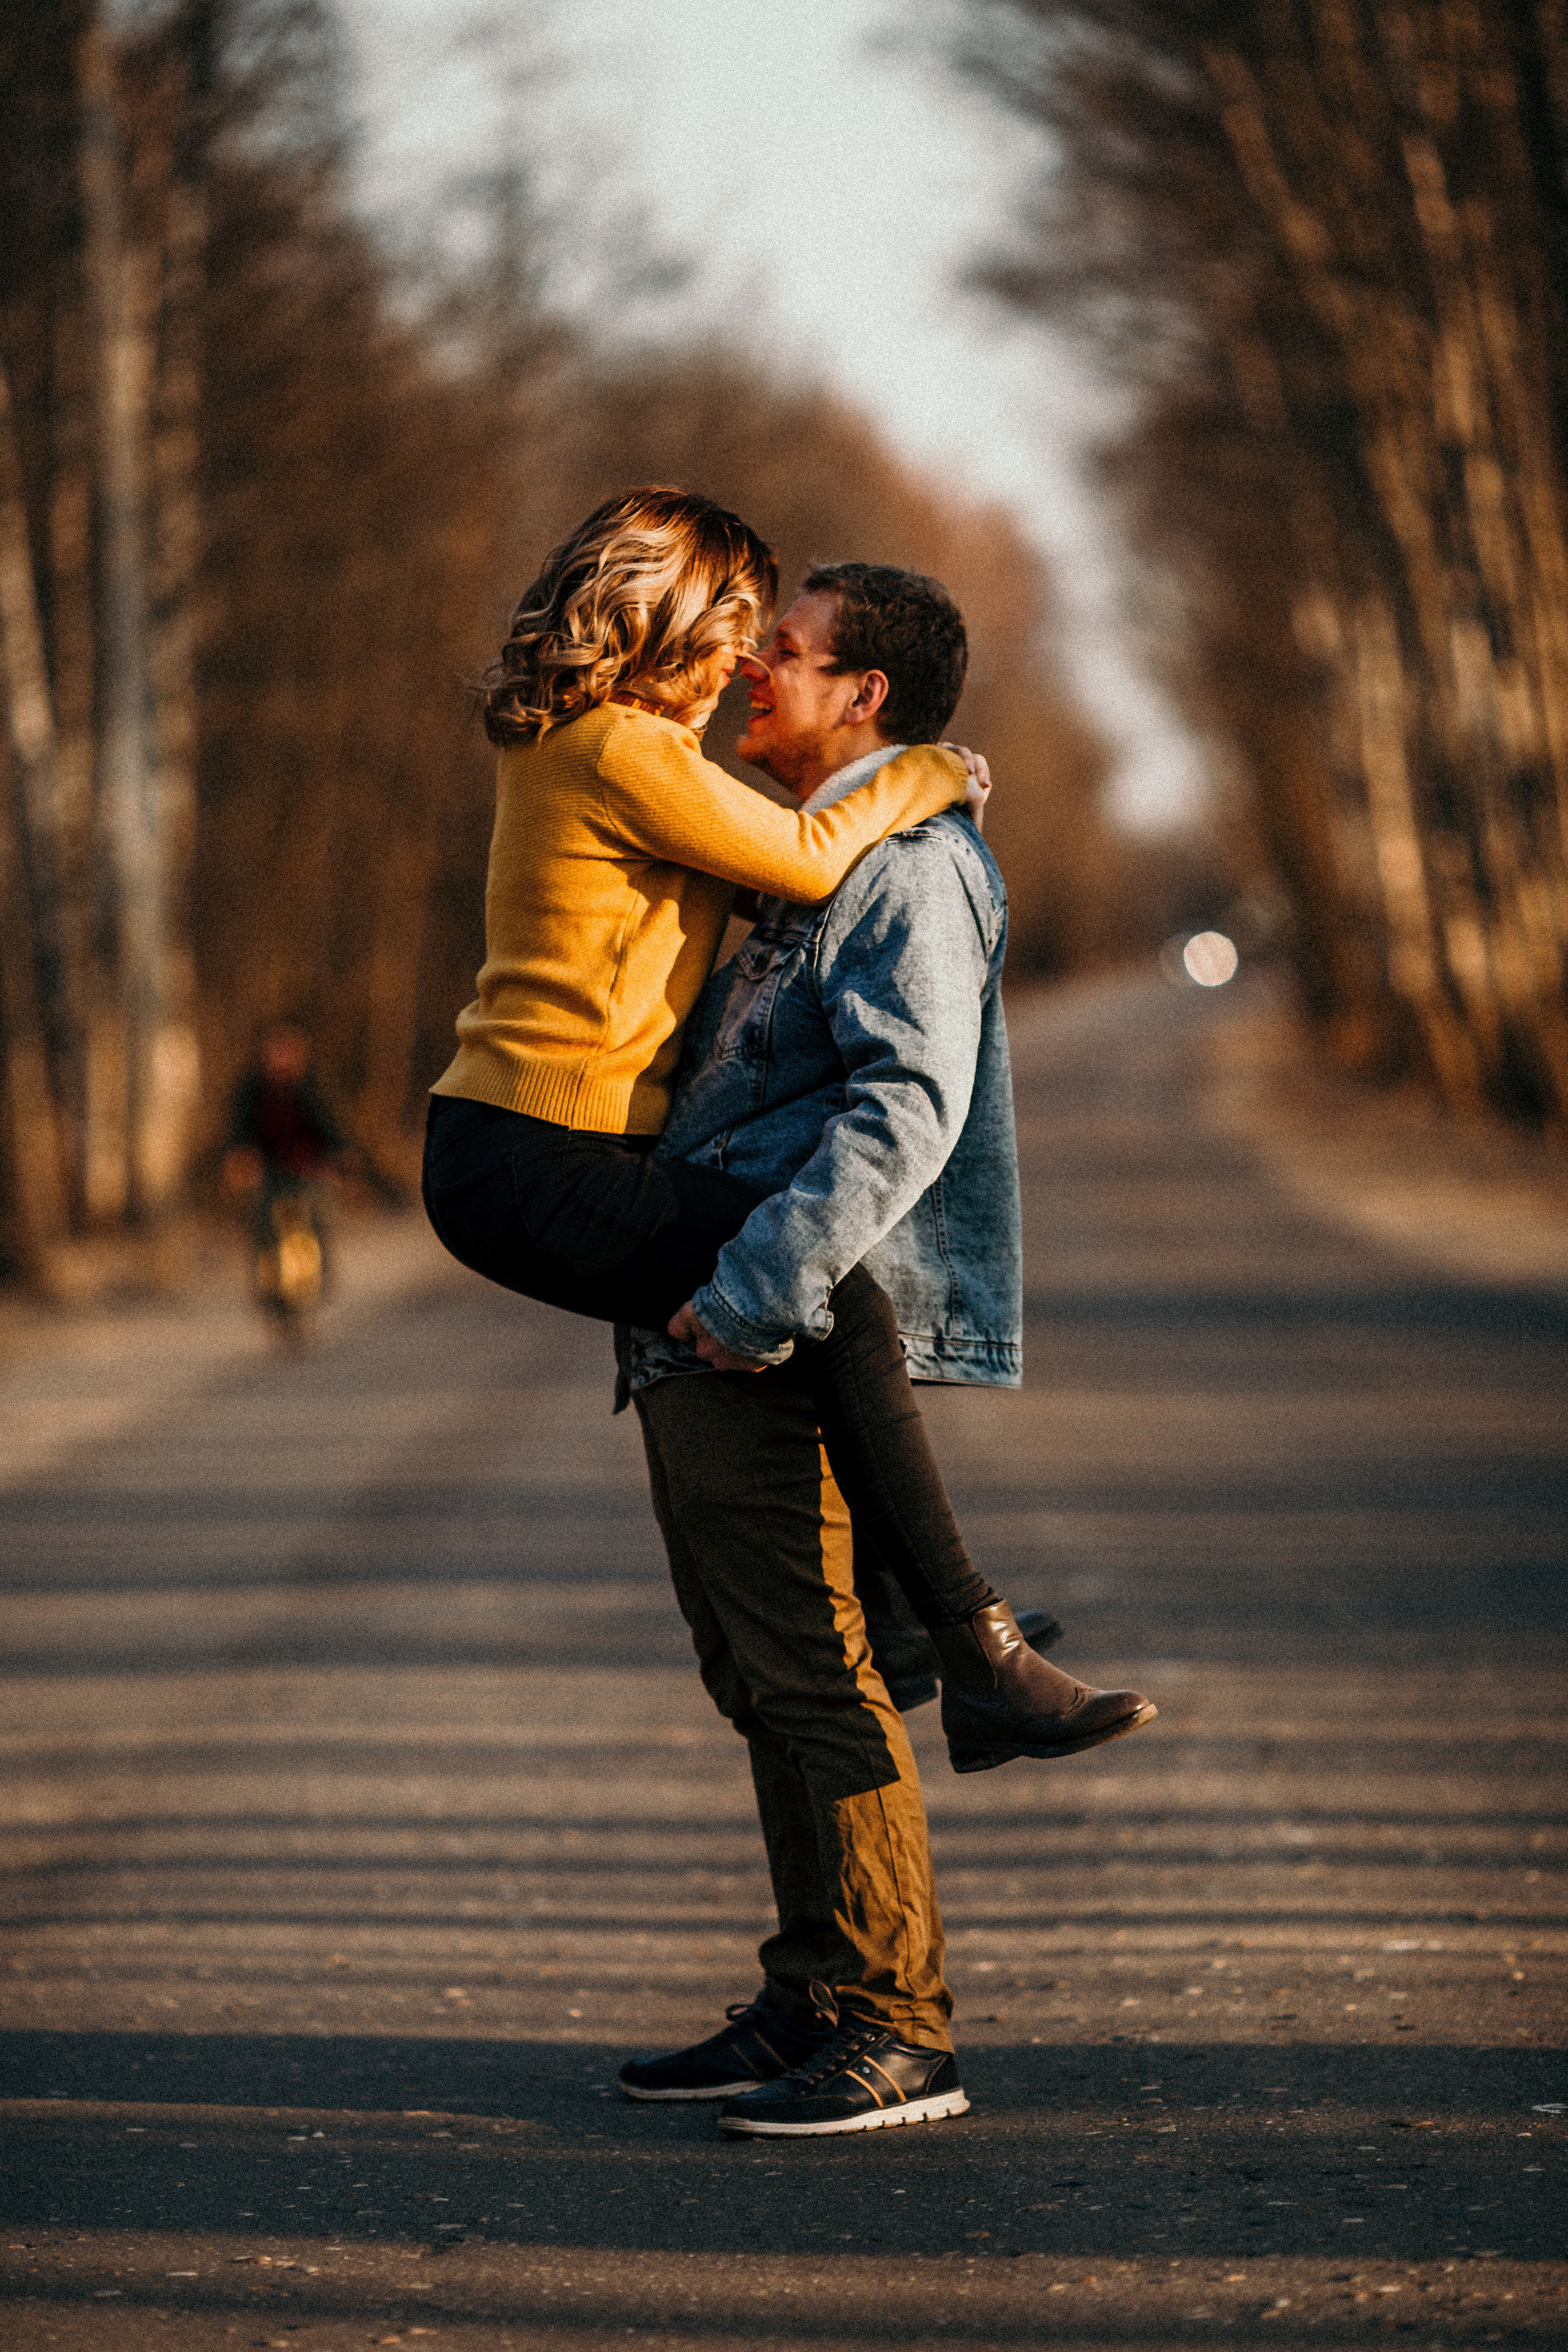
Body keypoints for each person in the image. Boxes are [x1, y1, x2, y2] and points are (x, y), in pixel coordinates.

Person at [615, 564, 1156, 2136]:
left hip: (771, 1320)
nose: (751, 666)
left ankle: (897, 2027)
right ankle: (814, 1990)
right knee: (757, 1670)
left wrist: (750, 1295)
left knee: (811, 1670)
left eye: (782, 651)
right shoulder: (808, 854)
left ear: (863, 695)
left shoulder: (910, 868)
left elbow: (902, 1108)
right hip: (710, 1313)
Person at [421, 486, 1060, 1647]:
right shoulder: (618, 748)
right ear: (672, 620)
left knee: (818, 1303)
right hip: (527, 1152)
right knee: (832, 1298)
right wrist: (928, 773)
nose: (742, 664)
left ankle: (917, 1631)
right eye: (735, 634)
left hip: (523, 1148)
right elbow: (810, 860)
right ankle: (968, 1634)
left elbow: (791, 892)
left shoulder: (615, 750)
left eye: (768, 644)